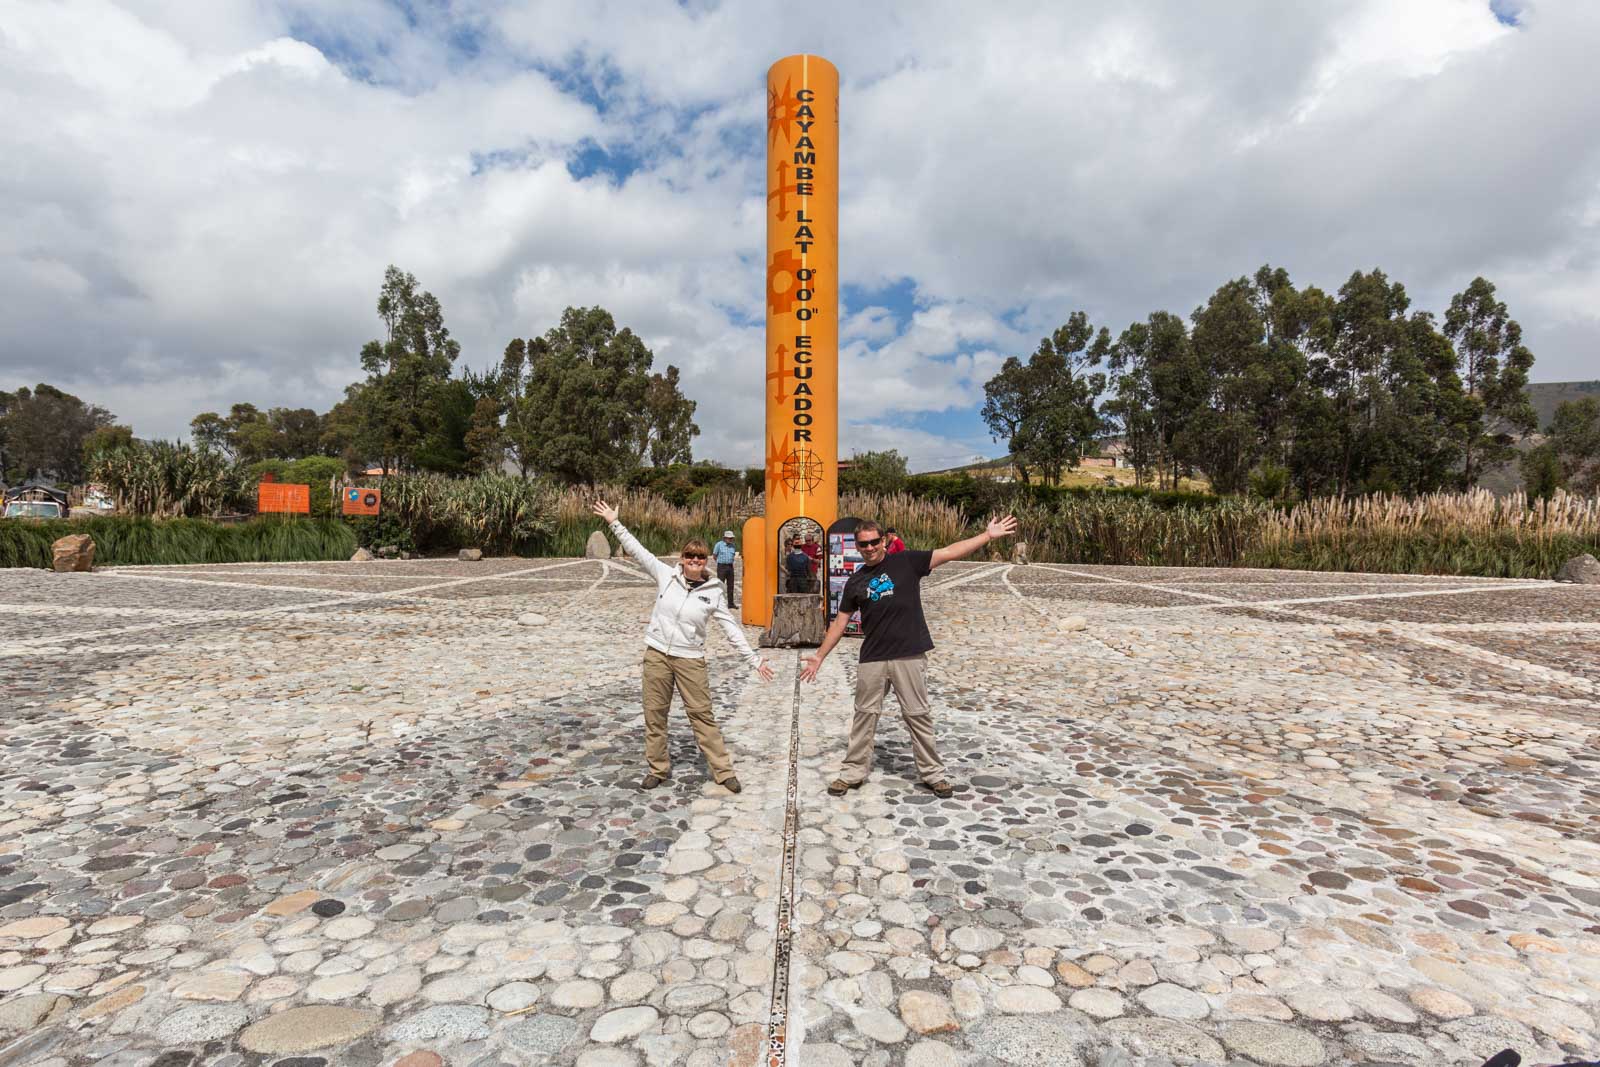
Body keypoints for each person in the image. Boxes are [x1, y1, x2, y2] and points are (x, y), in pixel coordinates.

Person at [800, 514, 1017, 798]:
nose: (869, 548)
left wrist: (987, 536)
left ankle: (933, 774)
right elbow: (840, 623)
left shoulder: (907, 562)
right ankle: (853, 772)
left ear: (885, 540)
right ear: (857, 546)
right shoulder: (855, 581)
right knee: (864, 716)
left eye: (874, 542)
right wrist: (819, 656)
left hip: (909, 655)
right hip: (873, 658)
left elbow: (950, 551)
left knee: (918, 715)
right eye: (863, 544)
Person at [593, 500, 774, 792]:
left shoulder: (713, 592)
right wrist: (614, 522)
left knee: (702, 715)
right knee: (654, 714)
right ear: (681, 558)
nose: (694, 560)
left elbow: (731, 630)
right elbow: (638, 550)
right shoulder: (665, 575)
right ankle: (658, 768)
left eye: (700, 557)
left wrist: (754, 660)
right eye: (689, 555)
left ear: (706, 561)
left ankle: (723, 771)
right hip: (658, 655)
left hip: (690, 659)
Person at [713, 530, 739, 608]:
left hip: (730, 567)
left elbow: (733, 556)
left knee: (730, 586)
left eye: (731, 538)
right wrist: (720, 562)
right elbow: (714, 555)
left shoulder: (733, 546)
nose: (731, 539)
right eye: (729, 538)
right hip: (721, 567)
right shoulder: (719, 545)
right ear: (725, 538)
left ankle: (730, 603)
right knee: (720, 585)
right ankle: (719, 603)